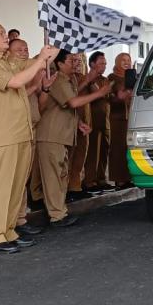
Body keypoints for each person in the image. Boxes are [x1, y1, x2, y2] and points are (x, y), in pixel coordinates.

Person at [0, 19, 58, 254]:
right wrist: (40, 60)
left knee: (17, 186)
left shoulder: (8, 60)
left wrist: (47, 52)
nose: (5, 37)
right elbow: (16, 81)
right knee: (2, 186)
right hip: (4, 133)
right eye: (0, 34)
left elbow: (33, 66)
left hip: (22, 130)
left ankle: (9, 231)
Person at [38, 51, 105, 227]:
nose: (75, 63)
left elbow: (67, 109)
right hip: (51, 135)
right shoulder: (58, 79)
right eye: (71, 60)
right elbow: (73, 103)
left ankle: (60, 211)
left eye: (77, 60)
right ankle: (56, 215)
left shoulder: (70, 80)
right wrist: (99, 93)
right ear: (59, 64)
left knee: (61, 175)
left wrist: (79, 123)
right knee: (53, 177)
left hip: (63, 135)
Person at [8, 38, 45, 236]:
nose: (23, 52)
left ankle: (21, 218)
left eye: (26, 49)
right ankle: (12, 221)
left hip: (32, 125)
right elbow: (19, 92)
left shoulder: (29, 69)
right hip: (15, 129)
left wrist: (42, 85)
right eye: (18, 50)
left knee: (24, 176)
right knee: (14, 178)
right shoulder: (10, 71)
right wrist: (36, 83)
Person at [83, 51, 112, 193]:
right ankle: (89, 181)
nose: (104, 66)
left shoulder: (105, 79)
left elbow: (109, 97)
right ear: (92, 64)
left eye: (105, 64)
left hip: (104, 120)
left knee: (104, 150)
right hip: (91, 120)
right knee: (92, 151)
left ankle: (101, 179)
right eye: (101, 63)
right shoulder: (86, 79)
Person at [67, 54, 94, 202]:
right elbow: (71, 95)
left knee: (81, 155)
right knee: (70, 156)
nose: (78, 64)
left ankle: (76, 186)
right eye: (75, 61)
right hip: (71, 120)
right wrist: (87, 80)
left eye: (80, 61)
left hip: (85, 119)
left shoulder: (82, 76)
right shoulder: (66, 78)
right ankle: (68, 188)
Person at [108, 53, 135, 188]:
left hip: (131, 119)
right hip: (117, 119)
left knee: (129, 148)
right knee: (118, 149)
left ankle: (129, 177)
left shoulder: (132, 77)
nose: (126, 62)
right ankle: (119, 179)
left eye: (128, 60)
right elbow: (116, 97)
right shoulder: (112, 78)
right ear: (117, 62)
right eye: (123, 60)